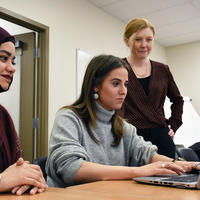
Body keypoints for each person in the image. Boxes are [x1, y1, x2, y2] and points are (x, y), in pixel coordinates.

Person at [46, 54, 198, 188]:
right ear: (95, 86)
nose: (123, 91)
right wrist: (138, 171)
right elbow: (69, 167)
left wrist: (181, 165)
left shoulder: (124, 127)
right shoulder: (69, 118)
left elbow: (147, 154)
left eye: (126, 84)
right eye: (116, 83)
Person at [122, 18, 184, 159]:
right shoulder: (117, 67)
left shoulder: (163, 69)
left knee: (169, 178)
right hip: (131, 137)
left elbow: (178, 100)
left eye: (149, 39)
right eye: (138, 39)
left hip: (161, 136)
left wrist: (173, 124)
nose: (144, 45)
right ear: (127, 41)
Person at [0, 26, 47, 195]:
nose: (12, 68)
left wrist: (29, 178)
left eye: (12, 61)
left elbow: (15, 168)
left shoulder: (2, 115)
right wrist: (3, 181)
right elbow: (6, 178)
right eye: (3, 58)